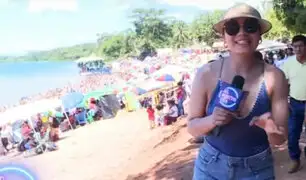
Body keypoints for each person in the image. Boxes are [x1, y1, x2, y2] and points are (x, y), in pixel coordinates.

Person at [188, 4, 288, 179]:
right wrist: (212, 120)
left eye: (250, 26)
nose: (241, 33)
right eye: (233, 27)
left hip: (257, 170)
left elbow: (279, 140)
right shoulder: (206, 73)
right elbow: (192, 127)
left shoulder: (275, 77)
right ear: (224, 36)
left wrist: (271, 130)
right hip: (210, 168)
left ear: (260, 35)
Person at [280, 35, 306, 173]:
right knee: (292, 135)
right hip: (295, 104)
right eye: (295, 46)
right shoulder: (288, 63)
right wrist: (285, 102)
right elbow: (284, 84)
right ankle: (295, 159)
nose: (297, 49)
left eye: (301, 46)